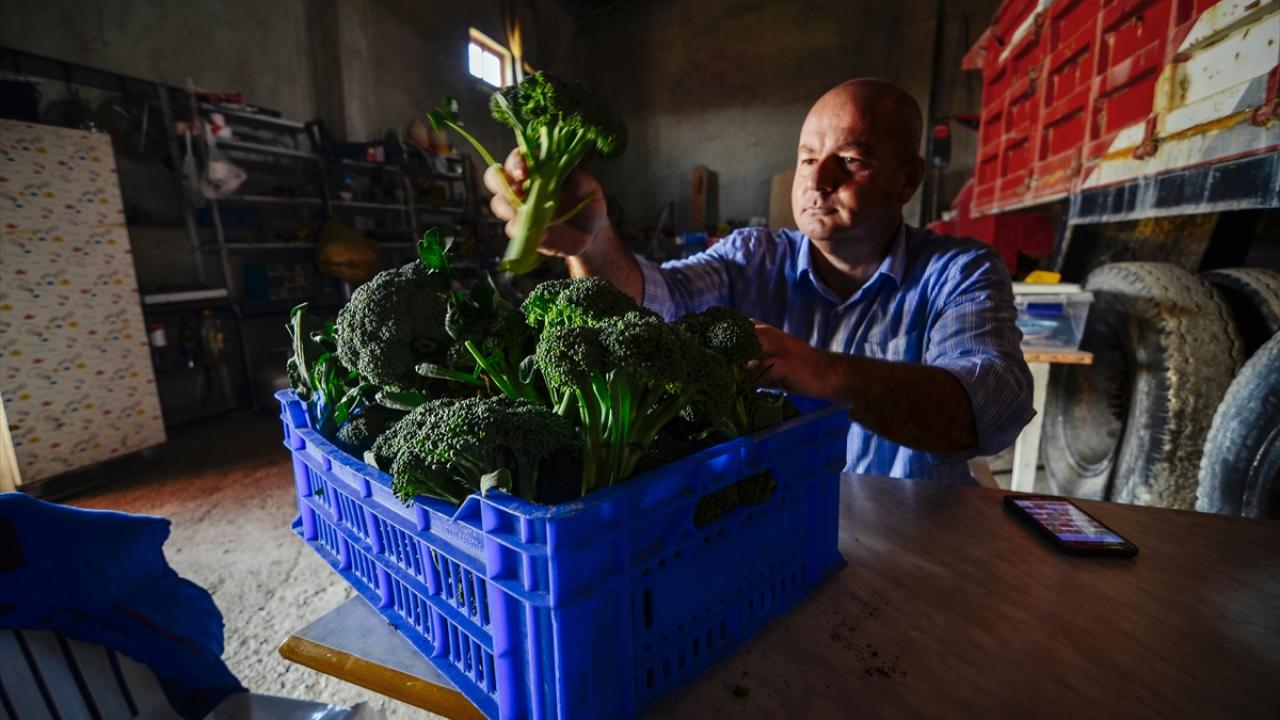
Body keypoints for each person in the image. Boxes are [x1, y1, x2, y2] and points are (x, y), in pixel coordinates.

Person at [485, 78, 1033, 484]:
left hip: (914, 544)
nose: (817, 180)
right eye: (808, 158)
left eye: (849, 160)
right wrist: (593, 244)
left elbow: (990, 410)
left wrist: (822, 374)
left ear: (908, 179)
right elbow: (656, 305)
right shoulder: (753, 256)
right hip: (773, 533)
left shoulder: (960, 271)